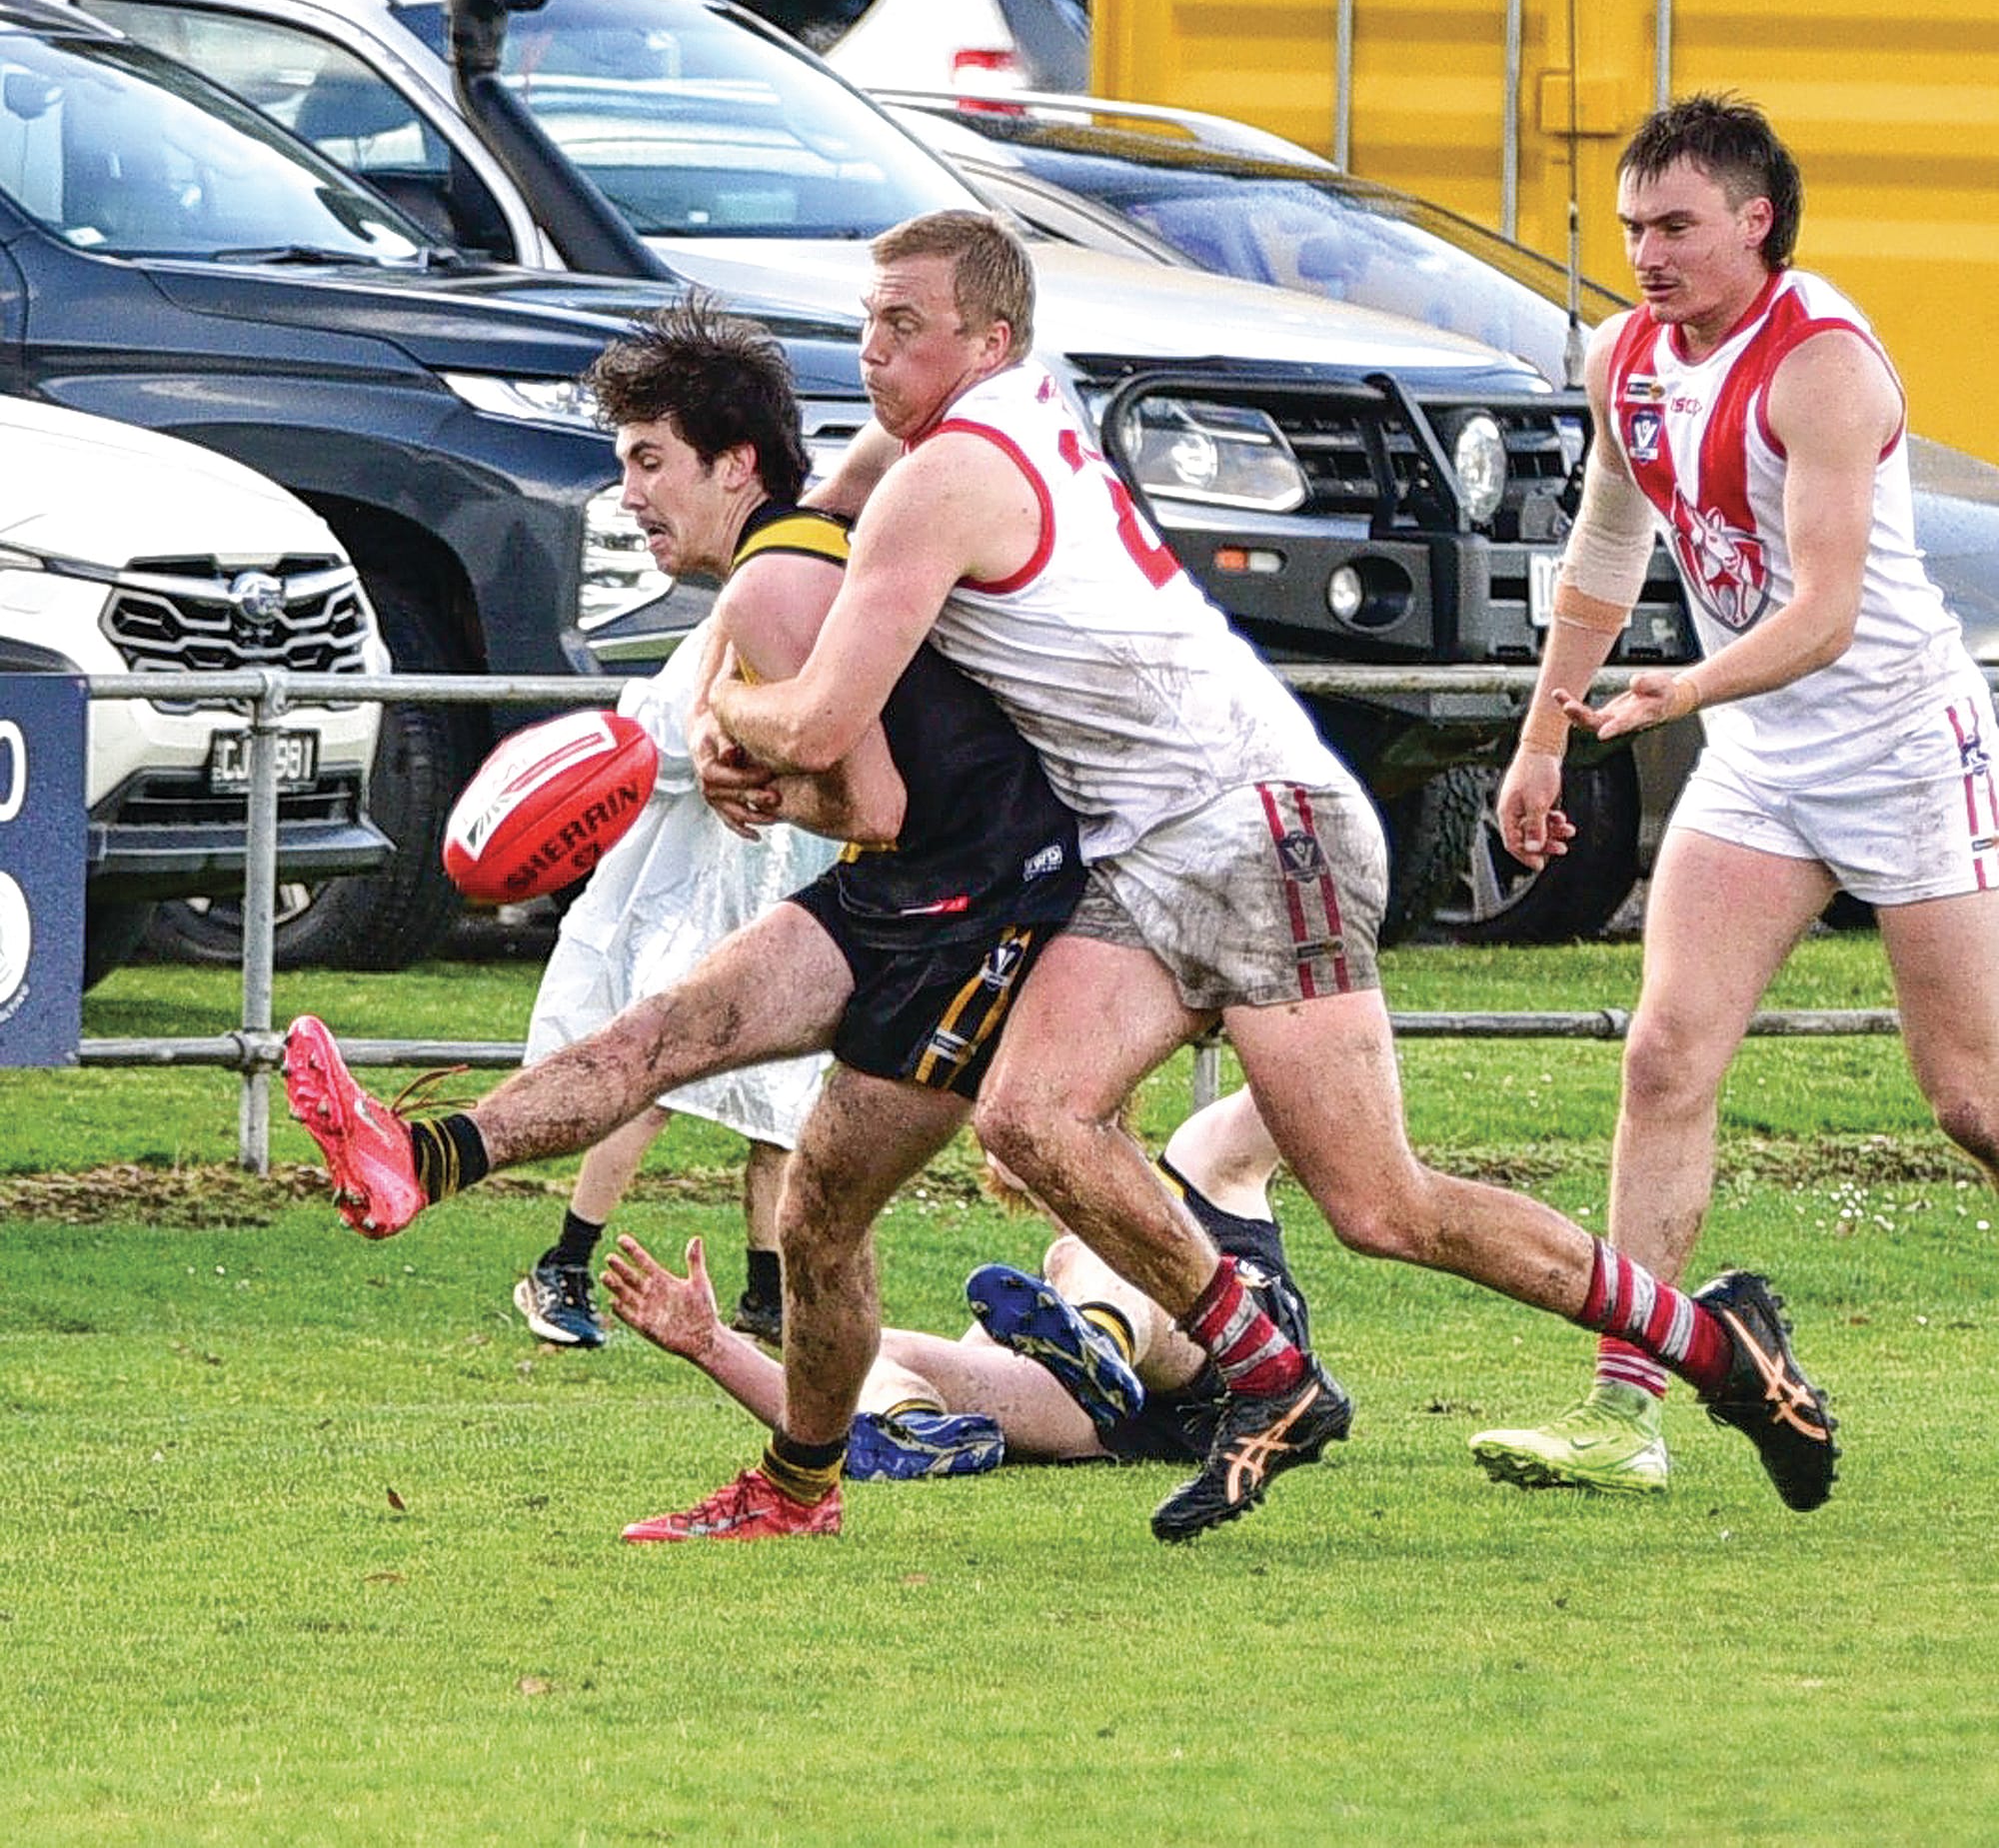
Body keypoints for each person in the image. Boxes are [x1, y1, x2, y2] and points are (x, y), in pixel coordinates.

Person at [701, 206, 1839, 1540]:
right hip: (1155, 849)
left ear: (990, 338)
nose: (871, 346)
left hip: (1258, 828)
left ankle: (1717, 1347)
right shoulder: (962, 425)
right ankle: (1274, 1373)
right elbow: (822, 520)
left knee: (1382, 1204)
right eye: (866, 319)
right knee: (1028, 1115)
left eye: (904, 322)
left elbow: (825, 714)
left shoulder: (954, 470)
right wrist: (757, 564)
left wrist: (729, 708)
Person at [284, 294, 1086, 1536]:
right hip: (902, 893)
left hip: (968, 909)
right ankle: (417, 1162)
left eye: (650, 462)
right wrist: (745, 760)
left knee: (823, 1218)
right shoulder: (792, 553)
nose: (629, 495)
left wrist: (756, 770)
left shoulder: (775, 585)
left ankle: (1249, 1371)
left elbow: (868, 799)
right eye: (622, 465)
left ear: (735, 464)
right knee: (651, 1042)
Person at [1465, 93, 1999, 1495]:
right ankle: (1623, 1405)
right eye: (1634, 225)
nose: (1646, 252)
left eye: (1677, 226)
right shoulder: (1622, 355)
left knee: (1972, 1102)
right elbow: (1605, 542)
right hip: (1763, 754)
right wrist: (1539, 739)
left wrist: (1685, 693)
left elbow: (1823, 610)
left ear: (1756, 222)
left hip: (1896, 741)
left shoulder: (1822, 362)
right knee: (1662, 1054)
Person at [603, 1086, 1316, 1524]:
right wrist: (710, 1344)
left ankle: (1102, 1345)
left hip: (1242, 1360)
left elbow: (1300, 1073)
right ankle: (918, 1433)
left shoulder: (1198, 1160)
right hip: (1139, 1421)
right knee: (883, 1353)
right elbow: (818, 1410)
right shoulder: (1024, 1317)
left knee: (1086, 1250)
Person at [510, 613, 836, 1351]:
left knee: (785, 1103)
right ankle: (564, 1261)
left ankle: (769, 1287)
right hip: (697, 900)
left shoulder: (839, 623)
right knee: (656, 1081)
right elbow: (655, 734)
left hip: (788, 891)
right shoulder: (738, 618)